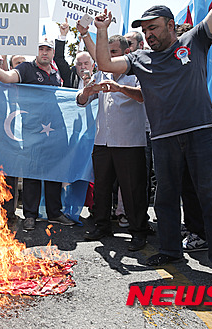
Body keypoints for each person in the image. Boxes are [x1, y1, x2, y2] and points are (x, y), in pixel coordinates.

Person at [93, 2, 212, 284]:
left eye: (153, 28)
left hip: (201, 134)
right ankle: (171, 250)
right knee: (166, 200)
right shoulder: (140, 59)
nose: (149, 34)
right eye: (145, 30)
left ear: (171, 25)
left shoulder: (194, 39)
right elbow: (105, 64)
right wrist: (101, 30)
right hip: (163, 139)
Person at [0, 41, 76, 231]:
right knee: (32, 172)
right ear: (35, 51)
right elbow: (7, 78)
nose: (44, 52)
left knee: (54, 173)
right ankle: (30, 215)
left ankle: (54, 212)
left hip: (54, 130)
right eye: (40, 48)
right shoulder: (26, 68)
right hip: (32, 129)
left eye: (48, 49)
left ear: (53, 52)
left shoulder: (56, 73)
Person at [77, 35, 149, 251]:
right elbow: (81, 101)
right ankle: (102, 225)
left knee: (132, 190)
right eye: (106, 53)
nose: (108, 58)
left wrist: (118, 88)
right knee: (101, 186)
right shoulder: (100, 74)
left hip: (129, 141)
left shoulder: (136, 74)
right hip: (103, 140)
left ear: (126, 54)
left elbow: (144, 96)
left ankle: (138, 232)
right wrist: (87, 91)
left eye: (114, 53)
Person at [55, 18, 95, 89]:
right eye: (79, 64)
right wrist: (63, 35)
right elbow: (59, 59)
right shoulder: (70, 77)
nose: (83, 67)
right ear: (76, 66)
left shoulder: (99, 80)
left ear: (93, 66)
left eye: (86, 63)